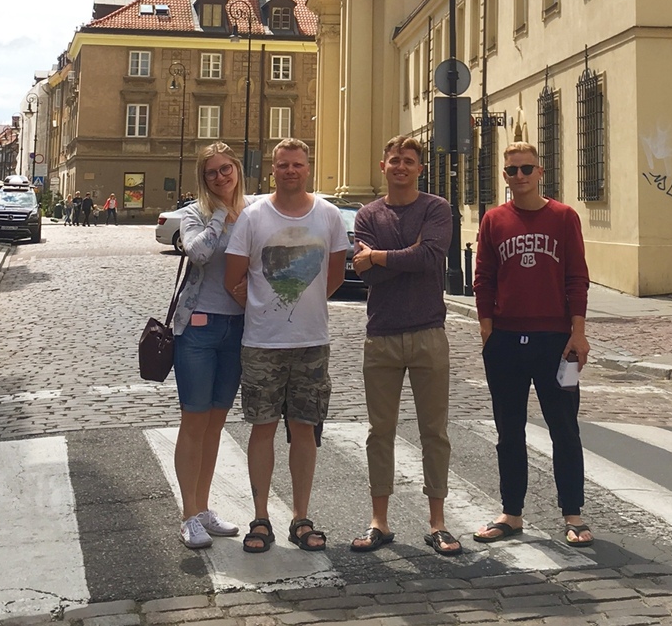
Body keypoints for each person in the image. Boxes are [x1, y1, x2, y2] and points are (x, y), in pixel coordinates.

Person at [224, 138, 349, 554]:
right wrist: (265, 309)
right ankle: (260, 517)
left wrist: (300, 307)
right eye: (283, 165)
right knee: (262, 428)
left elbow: (334, 276)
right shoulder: (253, 216)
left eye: (297, 164)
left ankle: (301, 517)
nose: (290, 171)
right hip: (262, 343)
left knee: (304, 429)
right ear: (272, 169)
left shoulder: (328, 215)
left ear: (307, 167)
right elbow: (233, 279)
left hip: (312, 341)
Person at [472, 141, 593, 548]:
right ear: (504, 175)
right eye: (512, 170)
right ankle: (512, 513)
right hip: (506, 341)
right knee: (509, 431)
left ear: (540, 172)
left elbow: (577, 277)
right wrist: (488, 332)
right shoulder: (494, 220)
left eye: (526, 169)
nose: (519, 176)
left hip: (557, 342)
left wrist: (578, 332)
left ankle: (573, 513)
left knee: (565, 428)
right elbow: (484, 279)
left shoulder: (563, 217)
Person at [347, 136, 460, 556]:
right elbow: (367, 276)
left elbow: (430, 258)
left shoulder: (436, 208)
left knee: (434, 431)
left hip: (429, 332)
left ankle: (438, 522)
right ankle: (379, 520)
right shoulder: (367, 214)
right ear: (383, 166)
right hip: (382, 334)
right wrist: (402, 256)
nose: (401, 167)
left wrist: (378, 256)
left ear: (419, 169)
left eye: (409, 161)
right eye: (394, 160)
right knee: (380, 432)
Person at [173, 142, 250, 549]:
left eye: (226, 169)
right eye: (211, 173)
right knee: (194, 420)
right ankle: (189, 515)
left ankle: (203, 508)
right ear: (203, 179)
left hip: (237, 329)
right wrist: (221, 212)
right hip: (198, 330)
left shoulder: (254, 211)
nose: (220, 177)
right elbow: (199, 253)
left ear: (237, 168)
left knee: (216, 424)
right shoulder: (194, 214)